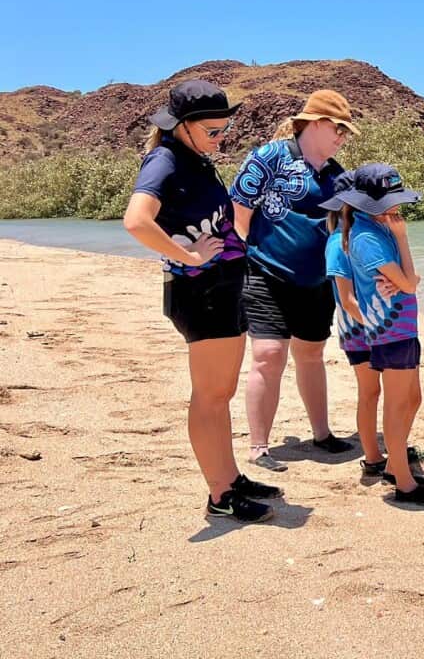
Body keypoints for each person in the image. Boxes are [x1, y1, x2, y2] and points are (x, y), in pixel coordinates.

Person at [123, 79, 279, 522]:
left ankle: (229, 477)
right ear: (182, 127)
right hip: (200, 294)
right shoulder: (165, 160)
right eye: (212, 131)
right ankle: (220, 495)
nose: (220, 137)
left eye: (224, 129)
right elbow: (136, 221)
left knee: (221, 394)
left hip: (221, 291)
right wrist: (187, 254)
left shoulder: (193, 158)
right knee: (210, 396)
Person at [230, 90, 358, 471]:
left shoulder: (338, 177)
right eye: (338, 128)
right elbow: (239, 213)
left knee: (312, 354)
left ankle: (322, 434)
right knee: (268, 355)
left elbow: (344, 231)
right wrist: (238, 261)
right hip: (264, 272)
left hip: (317, 282)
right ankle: (259, 447)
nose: (342, 136)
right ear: (315, 122)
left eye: (345, 132)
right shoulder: (268, 157)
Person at [319, 163, 424, 505]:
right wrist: (404, 264)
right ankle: (399, 478)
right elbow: (406, 283)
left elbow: (411, 281)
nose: (397, 209)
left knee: (409, 398)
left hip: (398, 326)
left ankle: (394, 460)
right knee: (387, 400)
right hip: (384, 329)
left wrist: (405, 277)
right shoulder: (360, 237)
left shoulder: (379, 230)